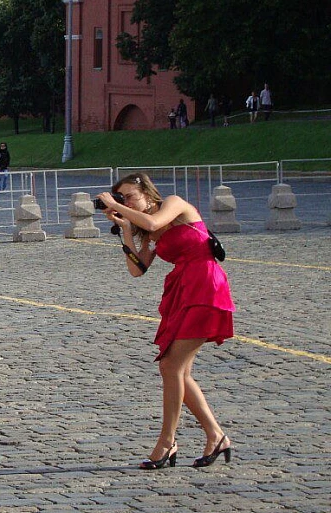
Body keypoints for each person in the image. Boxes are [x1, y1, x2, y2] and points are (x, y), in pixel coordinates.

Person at [96, 173, 234, 470]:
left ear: (147, 191)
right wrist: (126, 230)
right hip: (182, 288)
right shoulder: (143, 225)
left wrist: (121, 209)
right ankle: (215, 435)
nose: (126, 202)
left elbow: (155, 223)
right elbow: (138, 269)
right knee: (177, 370)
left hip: (204, 283)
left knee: (171, 366)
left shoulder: (173, 204)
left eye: (129, 196)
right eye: (121, 198)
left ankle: (168, 441)